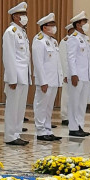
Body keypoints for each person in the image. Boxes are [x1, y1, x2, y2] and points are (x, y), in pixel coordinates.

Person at [2, 2, 31, 146]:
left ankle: (16, 133)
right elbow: (9, 57)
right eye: (22, 15)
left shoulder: (22, 32)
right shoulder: (10, 32)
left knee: (20, 108)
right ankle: (10, 135)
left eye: (25, 14)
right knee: (12, 107)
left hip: (23, 76)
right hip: (15, 77)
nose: (25, 17)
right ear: (14, 16)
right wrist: (12, 78)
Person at [32, 13, 63, 141]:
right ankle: (40, 131)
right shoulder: (39, 40)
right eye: (52, 25)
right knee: (41, 106)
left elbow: (57, 62)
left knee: (49, 107)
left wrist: (59, 78)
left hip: (53, 79)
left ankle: (48, 129)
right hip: (45, 80)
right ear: (44, 27)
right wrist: (43, 81)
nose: (54, 28)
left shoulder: (54, 41)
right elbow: (38, 63)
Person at [67, 11, 90, 137]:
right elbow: (71, 58)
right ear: (77, 25)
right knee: (74, 102)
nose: (87, 24)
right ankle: (73, 127)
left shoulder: (85, 38)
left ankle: (80, 126)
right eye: (84, 22)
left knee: (82, 104)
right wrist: (73, 74)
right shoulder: (73, 38)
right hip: (77, 76)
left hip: (85, 76)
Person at [59, 23, 75, 126]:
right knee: (66, 95)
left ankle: (71, 115)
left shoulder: (75, 41)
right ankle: (65, 116)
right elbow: (63, 58)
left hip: (74, 73)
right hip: (67, 73)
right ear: (70, 31)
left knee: (73, 95)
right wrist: (65, 74)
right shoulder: (65, 42)